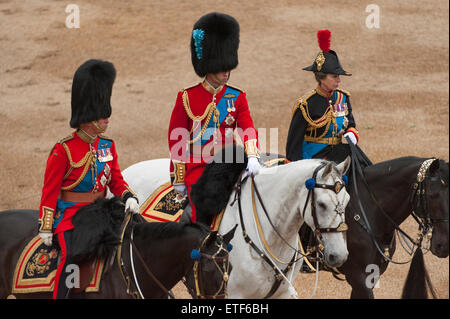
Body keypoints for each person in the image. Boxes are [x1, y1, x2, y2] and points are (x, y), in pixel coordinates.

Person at [38, 59, 139, 298]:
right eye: (102, 116)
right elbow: (49, 191)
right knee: (71, 256)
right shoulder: (63, 150)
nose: (107, 119)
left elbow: (115, 180)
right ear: (88, 117)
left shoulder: (107, 145)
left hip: (101, 210)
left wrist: (128, 196)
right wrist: (46, 226)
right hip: (71, 216)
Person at [168, 12, 261, 222]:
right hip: (198, 168)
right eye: (221, 68)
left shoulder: (237, 97)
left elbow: (247, 128)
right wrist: (179, 177)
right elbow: (177, 139)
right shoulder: (187, 97)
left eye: (228, 67)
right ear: (209, 67)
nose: (226, 72)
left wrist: (253, 155)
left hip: (228, 164)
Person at [286, 30, 359, 164]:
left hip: (338, 150)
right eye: (334, 76)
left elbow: (351, 123)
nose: (338, 81)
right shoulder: (306, 104)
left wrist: (352, 133)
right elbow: (294, 141)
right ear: (321, 77)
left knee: (363, 167)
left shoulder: (342, 98)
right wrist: (294, 166)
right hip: (314, 155)